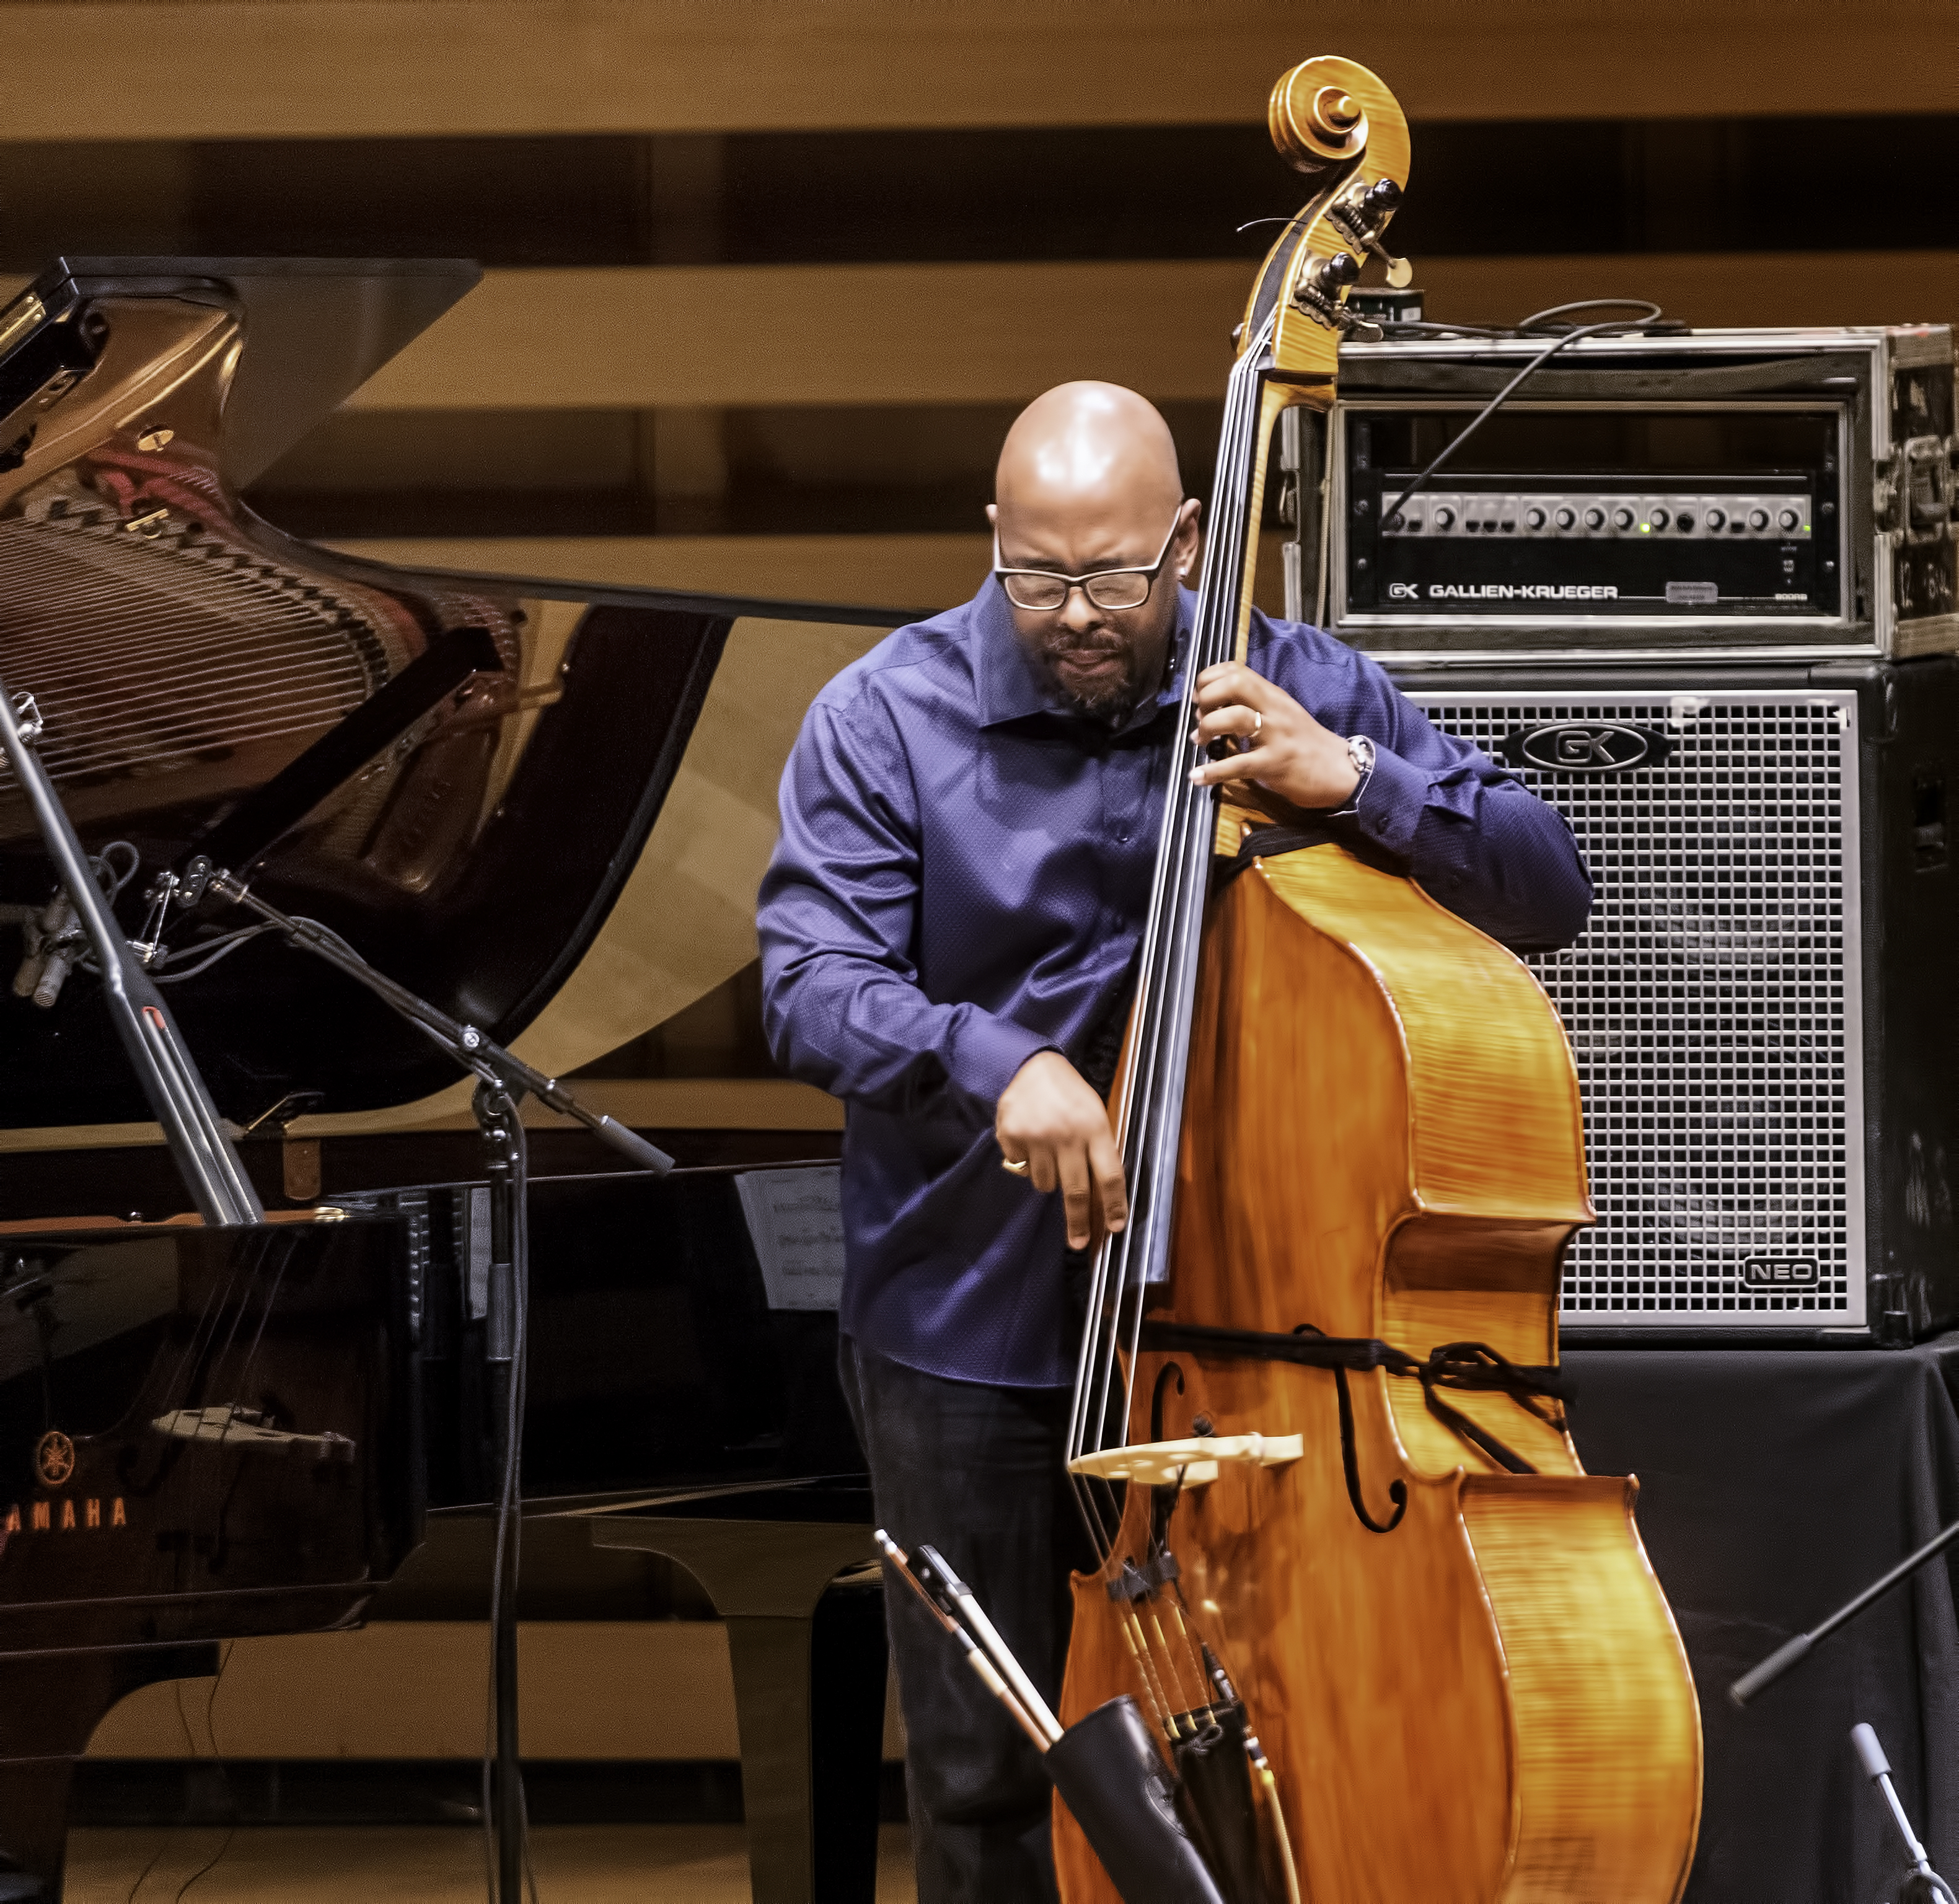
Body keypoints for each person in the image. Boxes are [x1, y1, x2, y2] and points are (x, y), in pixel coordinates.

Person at [757, 380, 1591, 1902]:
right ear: (995, 543)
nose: (1078, 613)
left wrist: (1359, 781)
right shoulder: (884, 714)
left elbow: (1547, 886)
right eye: (1040, 576)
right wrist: (992, 1058)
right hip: (973, 1334)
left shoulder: (1294, 682)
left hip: (1276, 1341)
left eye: (1118, 577)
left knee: (1282, 1755)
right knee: (985, 1778)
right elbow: (807, 987)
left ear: (1189, 542)